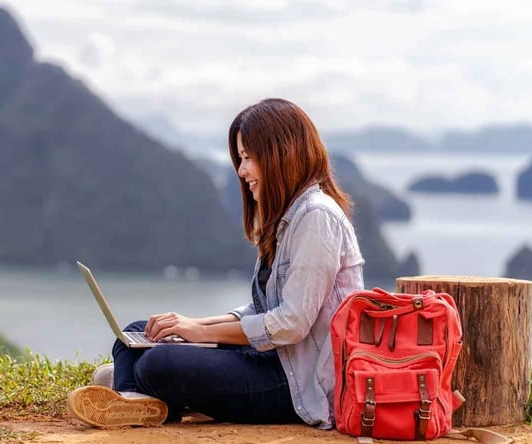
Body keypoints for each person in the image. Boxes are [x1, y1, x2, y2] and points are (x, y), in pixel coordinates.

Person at [67, 98, 365, 429]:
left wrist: (196, 332)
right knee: (137, 333)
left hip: (298, 384)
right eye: (241, 159)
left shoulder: (316, 218)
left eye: (248, 158)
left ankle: (137, 387)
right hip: (271, 359)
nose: (241, 171)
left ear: (281, 154)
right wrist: (195, 326)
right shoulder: (287, 218)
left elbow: (291, 323)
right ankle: (135, 397)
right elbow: (262, 309)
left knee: (159, 362)